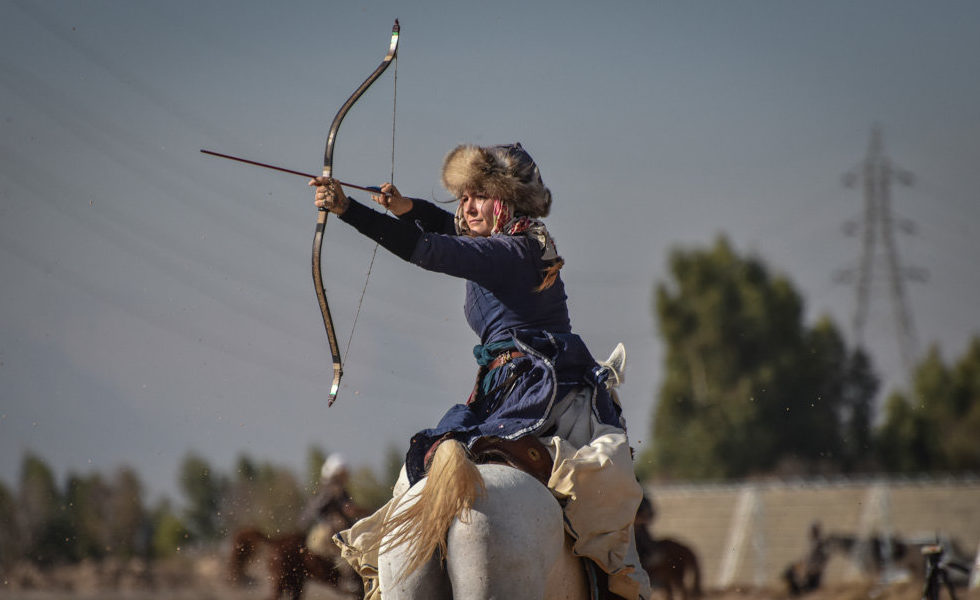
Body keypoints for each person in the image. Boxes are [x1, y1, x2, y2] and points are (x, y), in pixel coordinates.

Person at [311, 143, 650, 600]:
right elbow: (441, 225)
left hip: (544, 386)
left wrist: (349, 210)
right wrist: (404, 206)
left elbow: (432, 249)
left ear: (505, 202)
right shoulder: (510, 237)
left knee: (603, 482)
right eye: (463, 197)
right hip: (503, 388)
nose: (466, 208)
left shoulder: (510, 250)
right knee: (422, 472)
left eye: (477, 197)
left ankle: (618, 580)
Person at [300, 454, 362, 558]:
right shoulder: (335, 489)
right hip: (332, 532)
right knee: (348, 562)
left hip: (322, 532)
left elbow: (310, 512)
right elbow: (349, 510)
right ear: (337, 474)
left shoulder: (323, 489)